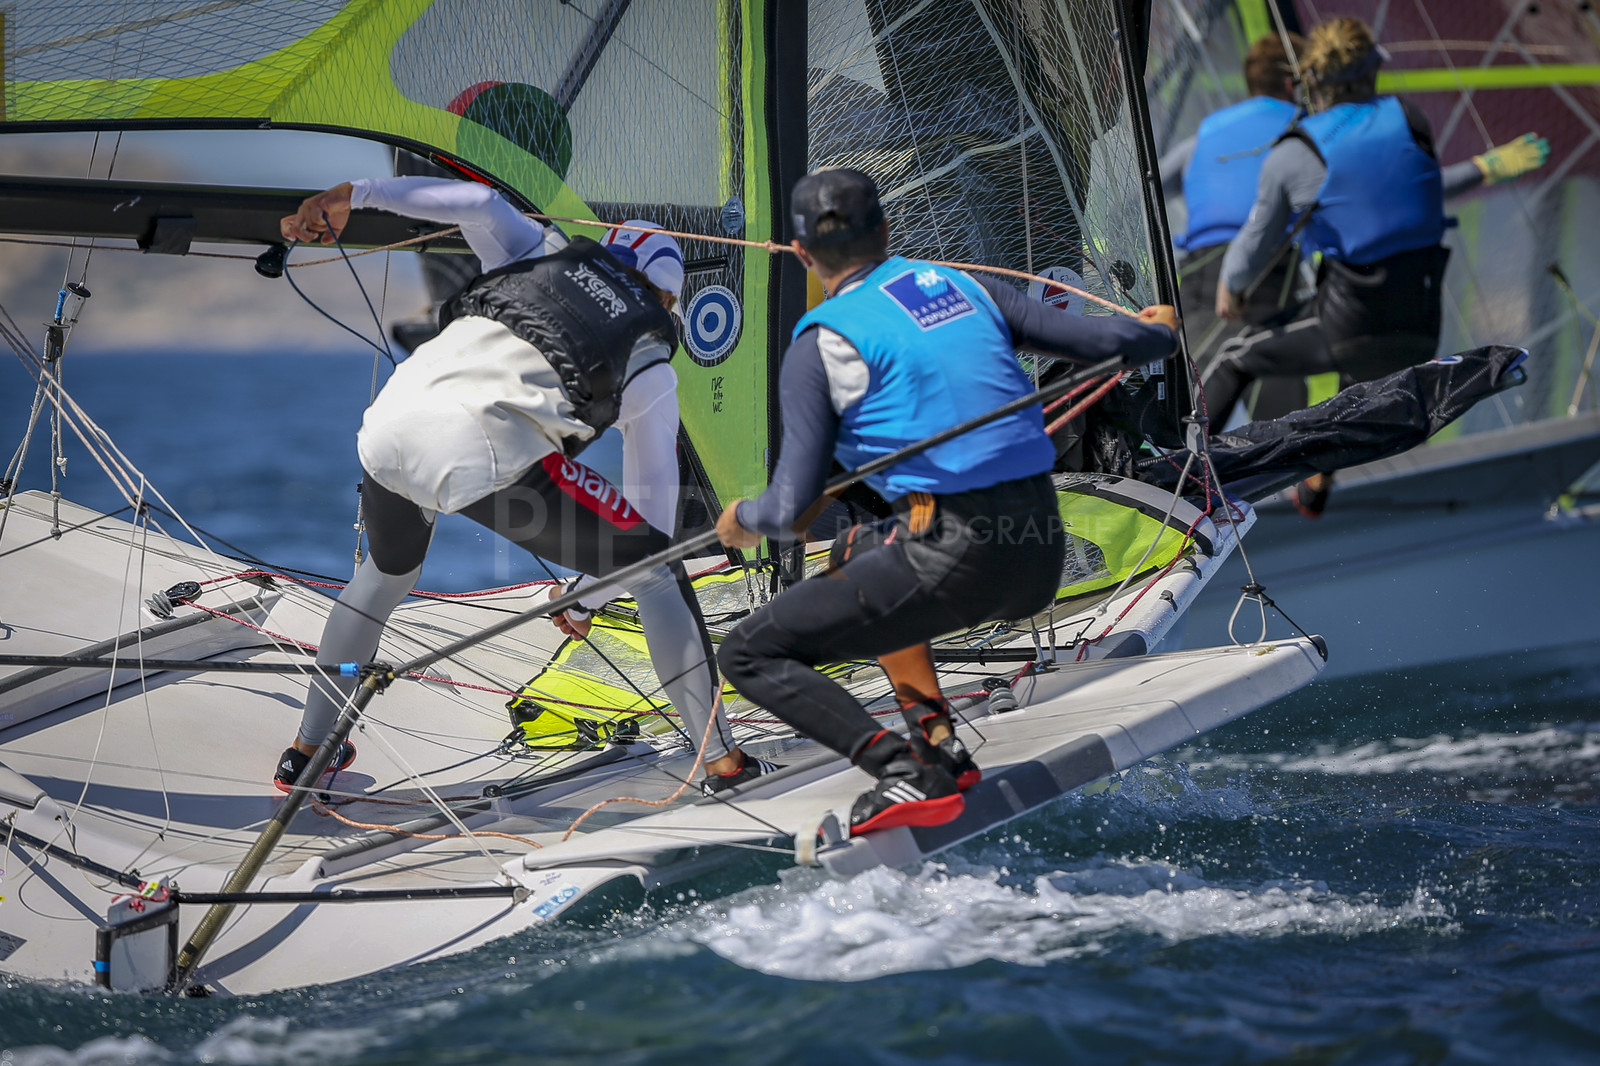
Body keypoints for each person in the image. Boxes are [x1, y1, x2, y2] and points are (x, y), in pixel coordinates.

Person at [714, 168, 1179, 833]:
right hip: (1039, 551)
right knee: (859, 545)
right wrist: (1157, 329)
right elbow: (1110, 342)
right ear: (885, 230)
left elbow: (790, 507)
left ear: (799, 254)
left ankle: (905, 775)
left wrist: (742, 521)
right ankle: (940, 748)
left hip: (954, 558)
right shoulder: (965, 287)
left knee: (749, 653)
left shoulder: (821, 344)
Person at [273, 176, 771, 795]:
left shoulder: (535, 253)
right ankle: (724, 762)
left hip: (386, 430)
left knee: (382, 578)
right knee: (658, 571)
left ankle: (307, 748)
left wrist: (355, 193)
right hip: (480, 460)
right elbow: (655, 522)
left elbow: (477, 202)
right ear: (666, 301)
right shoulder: (649, 364)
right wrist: (585, 597)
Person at [1202, 16, 1549, 430]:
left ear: (1310, 80)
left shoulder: (1297, 151)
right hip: (1420, 328)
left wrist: (1231, 288)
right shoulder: (1410, 119)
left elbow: (1253, 245)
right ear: (1372, 71)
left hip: (1350, 328)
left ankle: (1177, 459)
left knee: (1233, 356)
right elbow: (1416, 189)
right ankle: (1317, 487)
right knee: (1351, 399)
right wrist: (1485, 167)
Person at [1161, 33, 1306, 346]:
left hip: (1200, 277)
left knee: (1206, 388)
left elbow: (1150, 187)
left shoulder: (1207, 131)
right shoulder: (1306, 127)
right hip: (1270, 270)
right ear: (1291, 84)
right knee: (1272, 388)